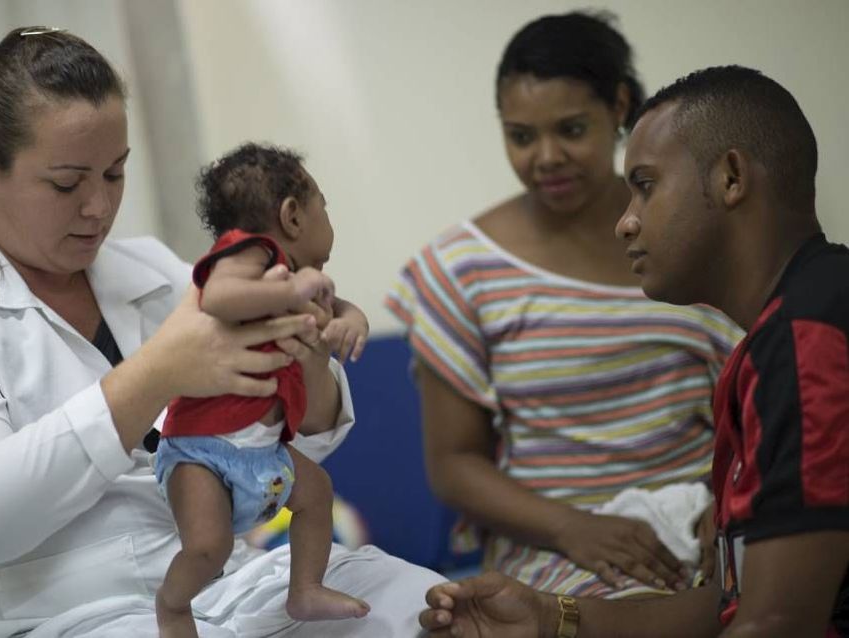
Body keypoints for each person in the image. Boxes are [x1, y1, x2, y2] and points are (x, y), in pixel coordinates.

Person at [0, 26, 443, 638]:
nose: (98, 207)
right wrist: (158, 371)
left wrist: (310, 354)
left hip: (228, 585)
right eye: (66, 182)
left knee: (420, 603)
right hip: (46, 617)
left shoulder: (153, 273)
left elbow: (298, 445)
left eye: (114, 174)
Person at [419, 65, 849, 637]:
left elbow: (776, 624)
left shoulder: (807, 339)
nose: (625, 222)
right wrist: (553, 617)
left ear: (730, 178)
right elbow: (737, 606)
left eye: (645, 186)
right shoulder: (770, 343)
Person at [386, 11, 742, 599]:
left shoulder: (696, 239)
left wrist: (730, 499)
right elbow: (453, 464)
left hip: (713, 517)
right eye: (521, 136)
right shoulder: (462, 267)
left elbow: (762, 404)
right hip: (554, 544)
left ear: (620, 107)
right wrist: (575, 529)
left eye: (571, 129)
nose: (546, 157)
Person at [154, 143, 371, 637]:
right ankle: (171, 605)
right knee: (209, 548)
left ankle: (305, 590)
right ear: (293, 216)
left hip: (264, 449)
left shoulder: (305, 282)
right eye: (324, 203)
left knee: (317, 493)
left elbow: (343, 308)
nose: (327, 216)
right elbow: (220, 297)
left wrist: (351, 322)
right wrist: (288, 294)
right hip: (201, 447)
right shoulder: (249, 254)